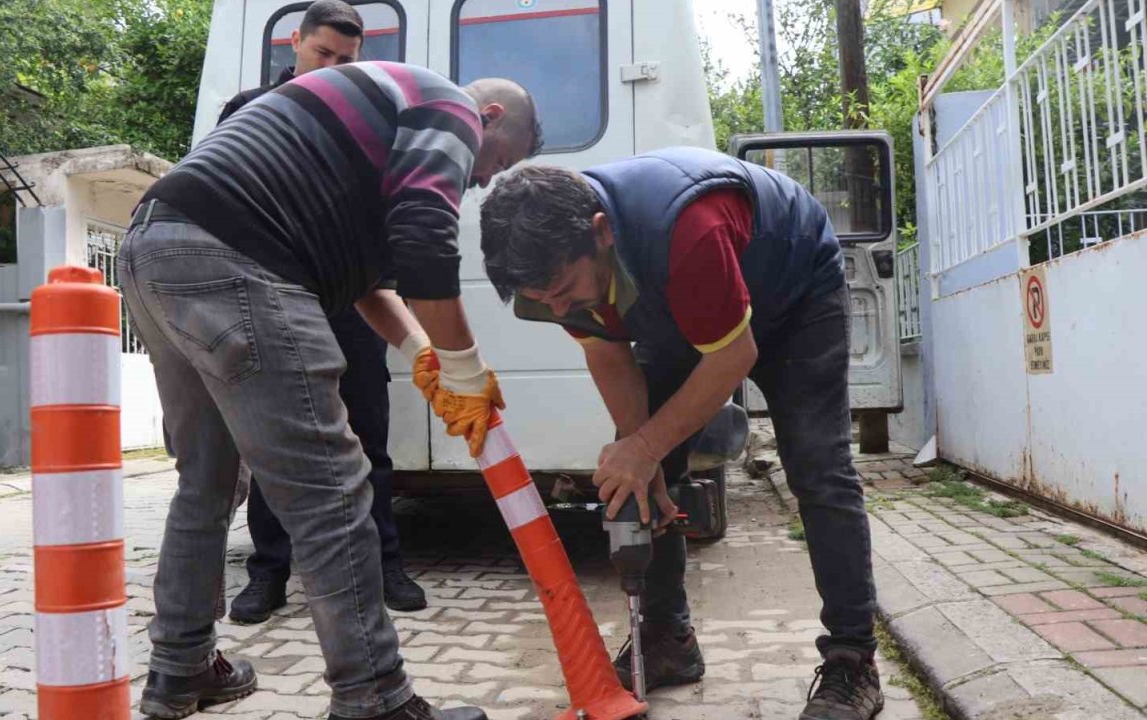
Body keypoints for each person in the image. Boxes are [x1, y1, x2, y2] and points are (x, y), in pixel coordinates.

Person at [118, 53, 542, 718]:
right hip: (236, 255)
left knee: (207, 481)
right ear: (488, 118)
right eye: (498, 162)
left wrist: (428, 362)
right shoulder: (448, 109)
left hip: (157, 246)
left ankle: (180, 668)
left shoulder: (375, 131)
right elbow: (427, 246)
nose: (485, 181)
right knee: (332, 491)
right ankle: (374, 697)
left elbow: (373, 283)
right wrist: (466, 374)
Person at [478, 148, 883, 720]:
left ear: (600, 233)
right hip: (686, 304)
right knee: (637, 472)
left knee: (818, 466)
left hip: (793, 292)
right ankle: (666, 639)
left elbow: (733, 355)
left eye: (565, 290)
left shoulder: (683, 228)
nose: (559, 307)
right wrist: (640, 455)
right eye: (546, 301)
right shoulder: (560, 272)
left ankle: (852, 660)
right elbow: (607, 353)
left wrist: (645, 446)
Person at [213, 0, 428, 625]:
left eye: (345, 60)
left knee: (368, 441)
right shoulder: (248, 109)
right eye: (322, 54)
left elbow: (382, 213)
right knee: (273, 443)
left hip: (355, 299)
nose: (330, 67)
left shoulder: (366, 121)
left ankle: (386, 564)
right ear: (295, 45)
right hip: (272, 296)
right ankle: (269, 573)